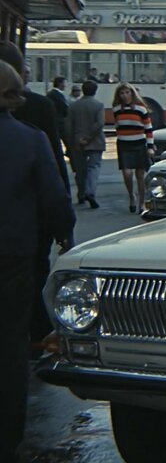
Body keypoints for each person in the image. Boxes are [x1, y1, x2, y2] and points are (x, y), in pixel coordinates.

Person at [0, 61, 75, 463]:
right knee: (9, 345)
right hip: (12, 252)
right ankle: (8, 436)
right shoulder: (29, 140)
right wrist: (65, 235)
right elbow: (54, 198)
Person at [0, 41, 72, 349]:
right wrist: (64, 231)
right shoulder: (34, 123)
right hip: (19, 240)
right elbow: (53, 177)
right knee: (14, 330)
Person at [112, 83, 155, 213]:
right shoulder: (116, 110)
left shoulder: (141, 109)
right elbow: (117, 127)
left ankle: (142, 202)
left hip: (139, 143)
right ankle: (131, 196)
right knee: (127, 173)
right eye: (122, 93)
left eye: (127, 92)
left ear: (132, 93)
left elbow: (148, 129)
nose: (125, 95)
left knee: (140, 175)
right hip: (124, 144)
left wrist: (150, 147)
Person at [68, 80, 106, 209]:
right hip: (95, 141)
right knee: (94, 167)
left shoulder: (74, 106)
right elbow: (100, 123)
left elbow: (69, 126)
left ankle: (81, 195)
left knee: (80, 170)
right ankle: (90, 192)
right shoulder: (98, 105)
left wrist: (76, 139)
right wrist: (89, 137)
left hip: (78, 142)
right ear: (95, 91)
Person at [46, 75, 70, 154]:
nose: (65, 85)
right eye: (64, 83)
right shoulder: (57, 95)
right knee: (68, 143)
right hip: (60, 122)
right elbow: (64, 108)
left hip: (54, 121)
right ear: (60, 84)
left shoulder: (51, 94)